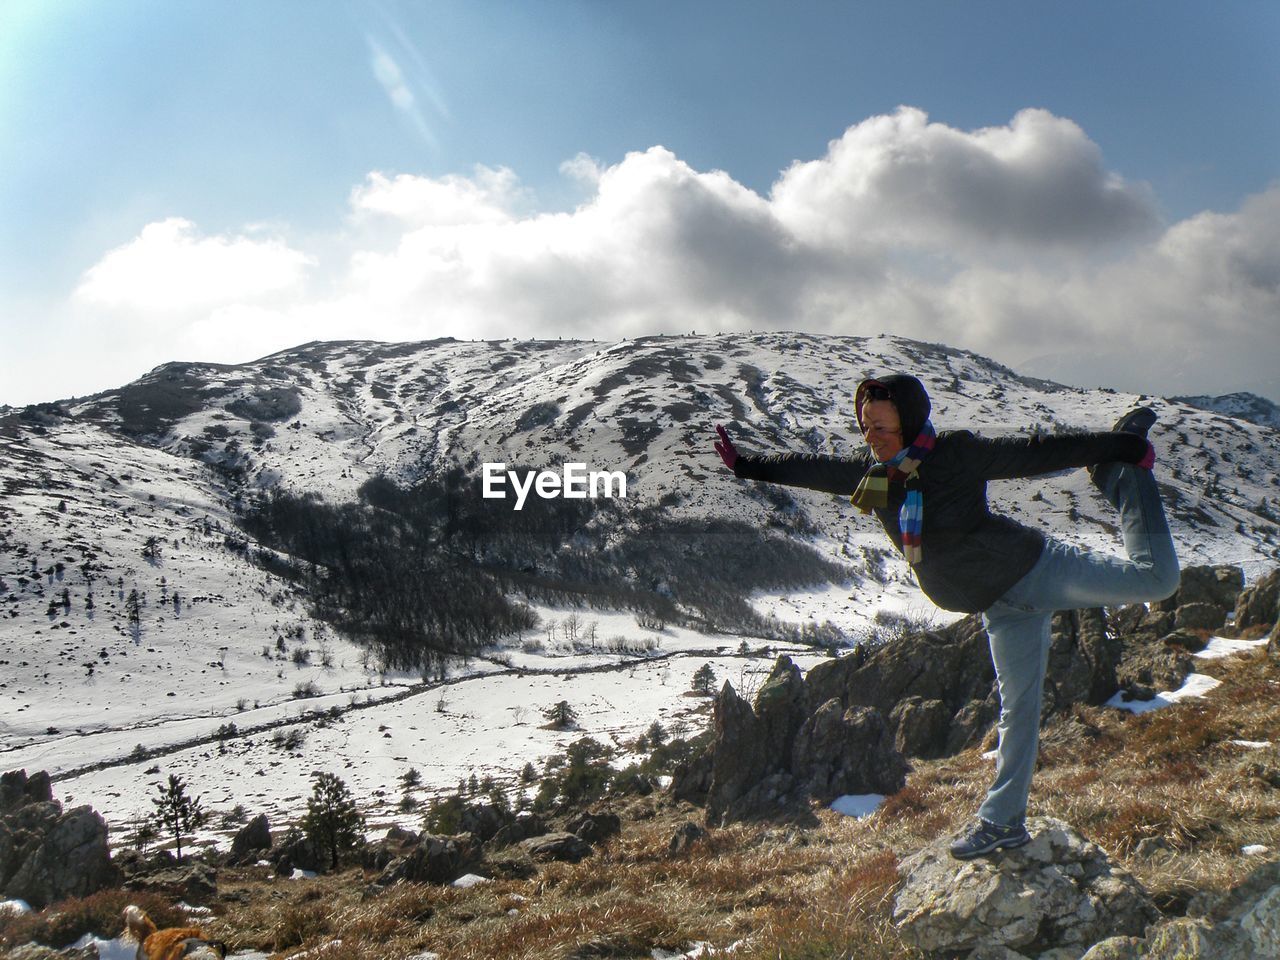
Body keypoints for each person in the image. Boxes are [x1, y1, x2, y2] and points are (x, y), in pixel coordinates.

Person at [713, 373, 1179, 860]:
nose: (871, 437)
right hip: (999, 607)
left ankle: (1121, 481)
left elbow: (1036, 452)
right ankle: (1003, 823)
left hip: (1035, 570)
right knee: (1018, 713)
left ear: (911, 422)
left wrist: (1121, 447)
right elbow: (808, 467)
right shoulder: (873, 475)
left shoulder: (953, 454)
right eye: (865, 426)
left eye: (883, 427)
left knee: (1157, 580)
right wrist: (745, 465)